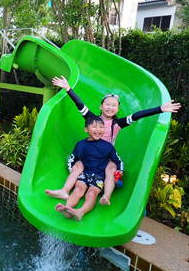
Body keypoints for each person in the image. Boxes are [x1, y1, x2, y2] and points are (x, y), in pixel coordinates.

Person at [45, 76, 181, 205]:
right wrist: (68, 88)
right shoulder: (92, 119)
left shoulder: (118, 124)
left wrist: (160, 109)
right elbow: (79, 104)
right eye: (107, 104)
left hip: (106, 157)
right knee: (77, 165)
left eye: (114, 105)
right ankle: (65, 191)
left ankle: (106, 196)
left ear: (117, 109)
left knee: (111, 168)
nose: (110, 108)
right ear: (101, 106)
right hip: (89, 155)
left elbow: (137, 115)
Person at [54, 115, 123, 221]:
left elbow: (118, 161)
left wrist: (120, 171)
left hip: (99, 177)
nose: (98, 129)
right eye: (94, 126)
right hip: (85, 173)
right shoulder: (80, 145)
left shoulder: (108, 146)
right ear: (86, 129)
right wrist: (75, 172)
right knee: (77, 190)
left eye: (101, 127)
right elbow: (72, 160)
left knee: (91, 194)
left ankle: (81, 212)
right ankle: (67, 208)